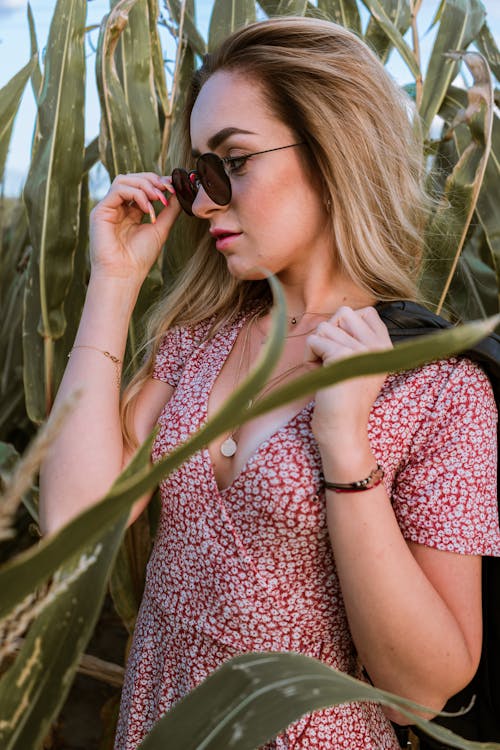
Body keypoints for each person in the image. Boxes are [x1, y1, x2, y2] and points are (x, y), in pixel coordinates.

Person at [39, 16, 499, 750]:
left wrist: (347, 451)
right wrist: (114, 284)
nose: (201, 203)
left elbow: (420, 693)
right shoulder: (199, 340)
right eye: (198, 172)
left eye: (234, 163)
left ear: (331, 153)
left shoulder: (436, 386)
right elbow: (74, 525)